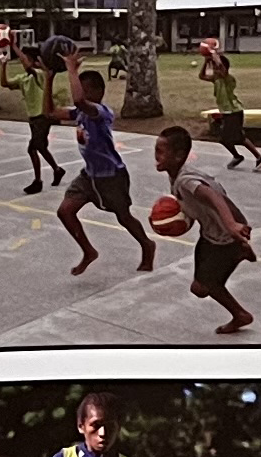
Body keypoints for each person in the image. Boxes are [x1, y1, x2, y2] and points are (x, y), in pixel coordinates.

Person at [151, 125, 255, 332]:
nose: (156, 156)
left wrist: (231, 225)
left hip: (225, 237)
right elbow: (198, 203)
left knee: (206, 286)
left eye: (161, 151)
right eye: (156, 150)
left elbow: (211, 196)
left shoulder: (186, 180)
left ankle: (241, 315)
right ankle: (240, 251)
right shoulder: (177, 174)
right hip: (210, 234)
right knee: (198, 288)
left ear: (179, 155)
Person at [55, 68, 157, 276]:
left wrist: (72, 70)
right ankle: (88, 251)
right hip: (89, 175)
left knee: (123, 216)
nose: (79, 95)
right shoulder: (80, 113)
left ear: (98, 92)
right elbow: (49, 111)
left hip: (111, 175)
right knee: (65, 211)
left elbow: (79, 101)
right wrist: (48, 77)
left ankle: (147, 245)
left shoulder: (101, 113)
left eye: (84, 90)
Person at [194, 37, 261, 167]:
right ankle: (239, 156)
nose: (215, 70)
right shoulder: (217, 79)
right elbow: (201, 76)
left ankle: (259, 157)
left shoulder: (228, 79)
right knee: (226, 139)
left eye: (216, 68)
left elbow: (221, 67)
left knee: (237, 138)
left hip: (234, 111)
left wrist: (213, 54)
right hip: (227, 112)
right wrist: (206, 61)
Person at [18, 32, 71, 194]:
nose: (23, 60)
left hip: (42, 117)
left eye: (26, 58)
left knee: (33, 148)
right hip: (34, 118)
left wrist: (13, 46)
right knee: (39, 147)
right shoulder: (32, 75)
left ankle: (38, 181)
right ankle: (56, 170)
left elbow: (28, 66)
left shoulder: (39, 74)